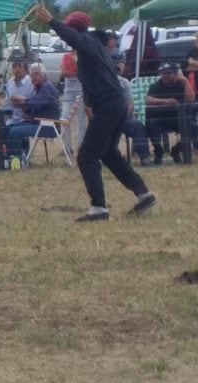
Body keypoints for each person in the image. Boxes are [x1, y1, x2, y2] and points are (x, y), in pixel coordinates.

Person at [36, 8, 155, 222]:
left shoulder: (86, 41)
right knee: (108, 153)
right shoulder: (93, 49)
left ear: (74, 28)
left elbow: (72, 37)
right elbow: (91, 81)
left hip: (109, 105)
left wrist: (51, 21)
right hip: (112, 105)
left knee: (87, 155)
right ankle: (144, 194)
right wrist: (89, 105)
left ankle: (99, 208)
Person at [3, 63, 60, 157]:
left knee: (15, 132)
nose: (34, 77)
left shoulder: (46, 87)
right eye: (32, 75)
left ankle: (15, 159)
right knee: (9, 127)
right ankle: (20, 156)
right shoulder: (40, 88)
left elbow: (36, 104)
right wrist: (22, 106)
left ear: (44, 75)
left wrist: (23, 100)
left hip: (48, 127)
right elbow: (34, 109)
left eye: (37, 74)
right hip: (39, 123)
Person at [145, 62, 196, 164]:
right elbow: (148, 99)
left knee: (193, 128)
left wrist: (186, 82)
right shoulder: (156, 85)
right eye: (163, 73)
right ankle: (158, 152)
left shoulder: (182, 84)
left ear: (176, 74)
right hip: (160, 119)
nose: (165, 76)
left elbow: (191, 100)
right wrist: (166, 101)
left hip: (179, 118)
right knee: (150, 124)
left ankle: (176, 150)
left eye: (169, 73)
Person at [59, 49, 87, 154]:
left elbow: (84, 72)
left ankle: (82, 146)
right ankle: (67, 147)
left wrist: (75, 71)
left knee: (81, 118)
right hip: (69, 91)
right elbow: (64, 73)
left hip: (82, 90)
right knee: (65, 117)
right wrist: (76, 72)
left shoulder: (83, 56)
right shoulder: (66, 56)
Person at [186, 32, 198, 97]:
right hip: (194, 90)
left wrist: (193, 63)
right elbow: (187, 67)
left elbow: (190, 63)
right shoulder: (192, 51)